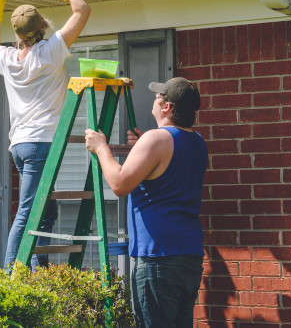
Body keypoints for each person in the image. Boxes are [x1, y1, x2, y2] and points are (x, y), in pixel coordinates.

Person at [0, 0, 91, 270]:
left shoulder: (8, 58)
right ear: (42, 26)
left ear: (17, 33)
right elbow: (82, 11)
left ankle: (39, 273)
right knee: (28, 212)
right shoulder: (50, 51)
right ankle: (10, 277)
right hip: (41, 144)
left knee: (45, 213)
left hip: (20, 146)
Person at [84, 77, 207, 328]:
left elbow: (119, 184)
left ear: (167, 107)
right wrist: (141, 148)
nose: (155, 97)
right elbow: (165, 171)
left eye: (159, 95)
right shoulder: (198, 142)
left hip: (158, 257)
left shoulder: (156, 140)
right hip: (188, 255)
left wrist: (101, 148)